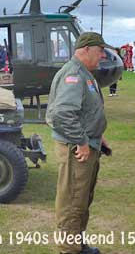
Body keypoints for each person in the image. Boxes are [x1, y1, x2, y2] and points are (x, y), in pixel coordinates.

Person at [46, 32, 110, 254]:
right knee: (72, 203)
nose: (103, 55)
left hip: (87, 146)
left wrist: (97, 135)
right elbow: (62, 114)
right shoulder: (73, 74)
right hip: (76, 149)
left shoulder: (85, 74)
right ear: (85, 49)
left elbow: (85, 111)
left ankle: (78, 245)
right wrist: (82, 141)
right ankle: (69, 249)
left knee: (82, 200)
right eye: (100, 50)